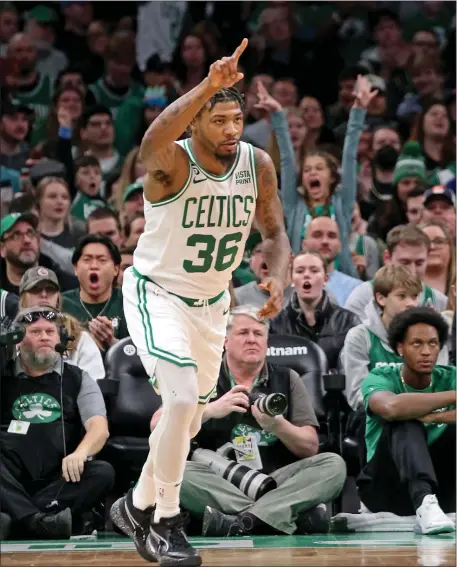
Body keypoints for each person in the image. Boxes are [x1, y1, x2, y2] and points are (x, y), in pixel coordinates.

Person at [110, 38, 291, 567]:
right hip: (157, 294)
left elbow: (275, 234)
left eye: (237, 120)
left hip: (213, 304)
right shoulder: (172, 162)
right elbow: (149, 141)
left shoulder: (256, 165)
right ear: (195, 124)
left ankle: (137, 503)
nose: (232, 131)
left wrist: (277, 274)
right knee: (185, 401)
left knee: (185, 423)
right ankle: (165, 518)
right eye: (220, 121)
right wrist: (206, 86)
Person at [151, 306, 346, 537]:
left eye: (259, 334)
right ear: (225, 341)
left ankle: (239, 522)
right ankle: (280, 515)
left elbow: (310, 447)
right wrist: (210, 409)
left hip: (276, 480)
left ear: (267, 342)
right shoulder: (201, 376)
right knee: (170, 469)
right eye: (243, 333)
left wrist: (278, 426)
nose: (252, 340)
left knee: (333, 465)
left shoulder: (287, 378)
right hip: (218, 481)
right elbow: (157, 424)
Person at [0, 306, 114, 539]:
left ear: (60, 338)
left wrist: (80, 453)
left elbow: (99, 428)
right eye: (35, 331)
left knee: (103, 472)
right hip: (10, 476)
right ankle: (38, 521)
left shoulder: (78, 378)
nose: (44, 336)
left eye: (50, 331)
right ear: (19, 340)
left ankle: (18, 517)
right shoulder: (4, 375)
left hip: (58, 477)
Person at [357, 307, 455, 535]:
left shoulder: (450, 376)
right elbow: (391, 408)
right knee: (404, 421)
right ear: (400, 348)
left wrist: (436, 416)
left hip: (443, 489)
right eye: (417, 344)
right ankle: (424, 503)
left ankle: (431, 504)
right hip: (386, 487)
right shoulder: (380, 376)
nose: (426, 352)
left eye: (432, 343)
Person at [270, 252, 359, 370]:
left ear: (325, 279)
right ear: (291, 279)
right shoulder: (276, 324)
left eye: (314, 270)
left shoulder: (348, 321)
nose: (307, 275)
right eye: (300, 271)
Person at [19, 266, 105, 381]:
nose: (44, 294)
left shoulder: (79, 337)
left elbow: (94, 383)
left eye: (50, 290)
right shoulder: (11, 338)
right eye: (35, 289)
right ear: (23, 299)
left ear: (58, 298)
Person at [344, 224, 448, 320]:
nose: (412, 270)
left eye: (419, 263)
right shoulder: (362, 297)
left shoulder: (440, 302)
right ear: (387, 257)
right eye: (405, 262)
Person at [62, 234, 129, 352]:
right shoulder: (61, 304)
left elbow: (138, 356)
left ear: (116, 269)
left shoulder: (129, 304)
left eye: (102, 260)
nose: (94, 266)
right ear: (76, 268)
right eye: (87, 260)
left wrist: (112, 342)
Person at [0, 212, 77, 295]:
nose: (27, 240)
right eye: (16, 235)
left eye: (30, 233)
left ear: (38, 241)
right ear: (2, 249)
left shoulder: (66, 286)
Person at [303, 217, 362, 306]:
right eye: (317, 235)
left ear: (340, 245)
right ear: (304, 244)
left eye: (331, 236)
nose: (325, 241)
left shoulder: (357, 289)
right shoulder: (288, 286)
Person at [234, 239, 293, 310]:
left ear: (290, 260)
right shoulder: (236, 298)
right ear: (250, 263)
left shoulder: (303, 295)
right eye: (259, 251)